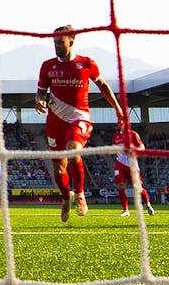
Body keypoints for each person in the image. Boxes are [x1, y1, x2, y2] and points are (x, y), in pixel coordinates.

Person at [35, 25, 124, 222]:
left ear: (72, 41)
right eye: (55, 42)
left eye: (61, 42)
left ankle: (81, 194)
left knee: (73, 150)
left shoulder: (86, 64)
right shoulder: (47, 66)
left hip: (79, 117)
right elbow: (41, 91)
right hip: (55, 121)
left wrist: (117, 108)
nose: (57, 46)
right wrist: (39, 100)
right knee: (59, 169)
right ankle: (67, 197)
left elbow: (102, 85)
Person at [112, 119, 155, 216]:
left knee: (138, 188)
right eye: (118, 121)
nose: (119, 123)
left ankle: (147, 204)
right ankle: (125, 210)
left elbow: (142, 147)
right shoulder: (116, 136)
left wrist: (134, 150)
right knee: (120, 185)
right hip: (120, 162)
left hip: (131, 163)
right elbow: (114, 148)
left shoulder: (133, 134)